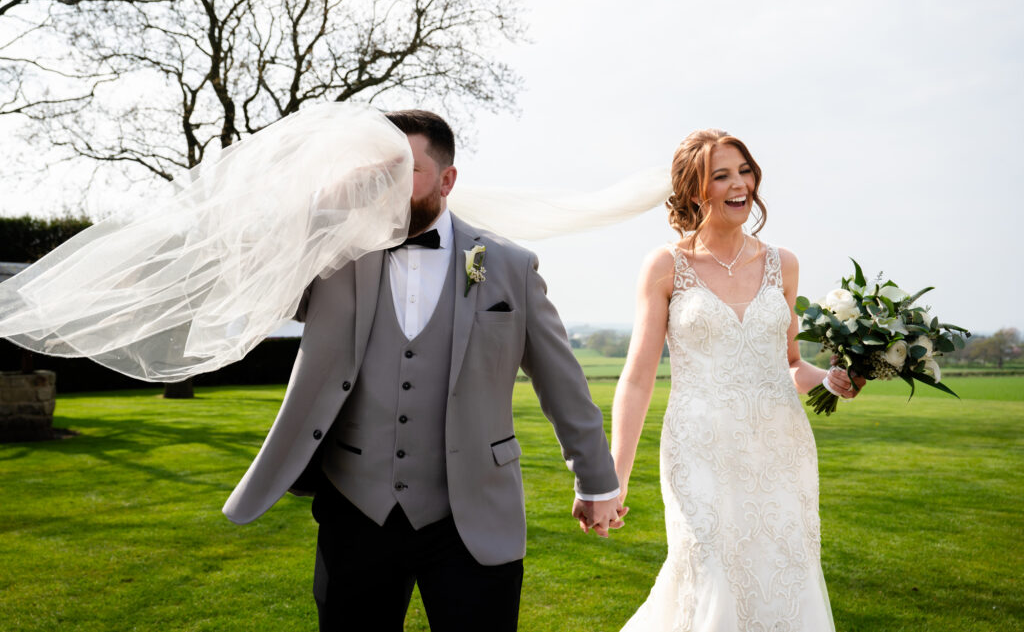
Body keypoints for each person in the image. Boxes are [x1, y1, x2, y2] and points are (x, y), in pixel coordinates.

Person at [221, 110, 624, 632]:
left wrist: (596, 481)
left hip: (474, 513)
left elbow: (562, 383)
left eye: (404, 171)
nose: (387, 188)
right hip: (356, 508)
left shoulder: (508, 266)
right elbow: (251, 283)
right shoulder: (331, 259)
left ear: (447, 179)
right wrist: (320, 211)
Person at [610, 129, 864, 631]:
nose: (739, 184)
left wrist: (829, 379)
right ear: (693, 190)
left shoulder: (781, 264)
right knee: (710, 575)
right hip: (699, 449)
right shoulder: (666, 266)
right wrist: (614, 477)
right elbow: (638, 379)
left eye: (744, 171)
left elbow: (788, 363)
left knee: (783, 576)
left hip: (779, 451)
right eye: (721, 175)